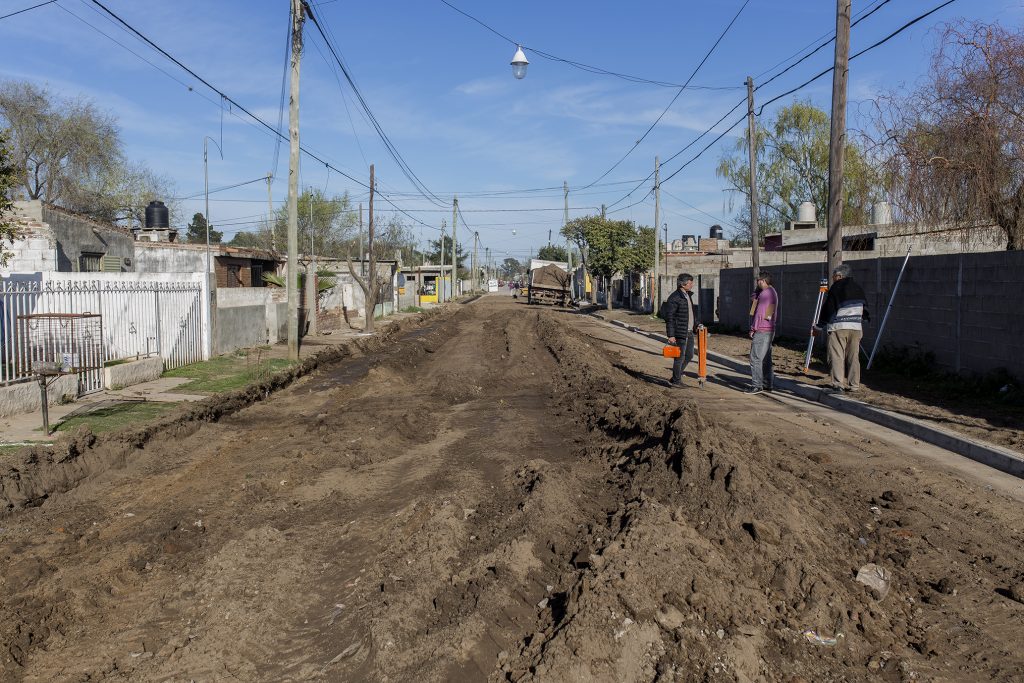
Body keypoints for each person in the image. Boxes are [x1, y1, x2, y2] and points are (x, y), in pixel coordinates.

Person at [813, 263, 870, 392]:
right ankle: (854, 384)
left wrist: (819, 326)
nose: (833, 278)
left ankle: (838, 384)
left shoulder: (836, 287)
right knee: (853, 356)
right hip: (856, 327)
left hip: (839, 327)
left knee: (837, 356)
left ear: (839, 276)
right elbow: (864, 308)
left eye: (833, 276)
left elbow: (829, 309)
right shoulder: (858, 287)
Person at [662, 273, 698, 386]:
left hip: (689, 331)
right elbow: (670, 317)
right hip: (680, 332)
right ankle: (677, 381)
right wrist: (671, 335)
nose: (692, 285)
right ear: (683, 284)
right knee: (680, 357)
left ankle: (675, 377)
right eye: (690, 283)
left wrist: (697, 325)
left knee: (689, 355)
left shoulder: (687, 295)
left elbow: (690, 314)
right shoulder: (675, 297)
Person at [747, 270, 778, 394]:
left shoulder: (765, 294)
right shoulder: (772, 292)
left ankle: (757, 385)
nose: (756, 282)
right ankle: (767, 384)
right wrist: (756, 292)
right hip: (769, 329)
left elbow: (759, 314)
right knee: (765, 359)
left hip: (762, 329)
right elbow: (754, 302)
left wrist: (753, 328)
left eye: (758, 281)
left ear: (763, 281)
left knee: (755, 358)